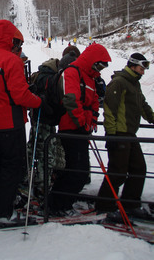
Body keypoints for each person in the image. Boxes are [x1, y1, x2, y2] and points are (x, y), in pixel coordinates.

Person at [0, 19, 42, 225]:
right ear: (10, 39)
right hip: (10, 121)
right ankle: (2, 212)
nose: (18, 47)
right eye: (17, 42)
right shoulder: (12, 61)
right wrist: (39, 101)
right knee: (11, 167)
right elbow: (20, 95)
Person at [48, 43, 111, 216]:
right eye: (98, 64)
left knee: (79, 171)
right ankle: (57, 205)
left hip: (81, 130)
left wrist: (92, 119)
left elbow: (94, 102)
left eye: (102, 67)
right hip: (71, 129)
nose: (99, 69)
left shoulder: (90, 78)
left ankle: (61, 202)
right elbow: (71, 100)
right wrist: (83, 122)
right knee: (77, 171)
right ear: (91, 59)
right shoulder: (72, 72)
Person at [96, 53, 154, 218]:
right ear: (133, 65)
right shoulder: (119, 82)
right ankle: (104, 205)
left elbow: (143, 105)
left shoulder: (134, 84)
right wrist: (111, 135)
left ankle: (130, 203)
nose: (143, 72)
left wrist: (152, 118)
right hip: (119, 133)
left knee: (138, 168)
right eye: (141, 68)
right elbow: (109, 109)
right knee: (118, 171)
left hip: (130, 133)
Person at [26, 46, 81, 201]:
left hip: (49, 118)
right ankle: (40, 183)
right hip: (41, 118)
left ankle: (41, 180)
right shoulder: (47, 76)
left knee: (46, 151)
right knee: (44, 152)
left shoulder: (55, 74)